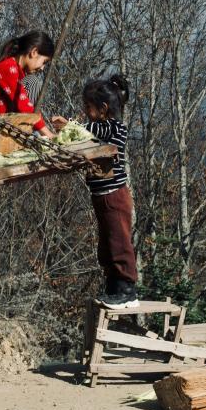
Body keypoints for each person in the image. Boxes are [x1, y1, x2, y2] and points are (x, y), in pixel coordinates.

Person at [53, 75, 139, 309]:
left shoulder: (116, 128)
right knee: (108, 242)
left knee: (119, 241)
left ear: (103, 109)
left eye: (88, 107)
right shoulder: (98, 128)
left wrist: (73, 126)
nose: (85, 112)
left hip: (115, 195)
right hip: (102, 196)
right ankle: (113, 285)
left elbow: (104, 134)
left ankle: (127, 289)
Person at [0, 31, 55, 138]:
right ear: (34, 52)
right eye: (44, 62)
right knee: (33, 84)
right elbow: (23, 105)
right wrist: (48, 134)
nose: (42, 68)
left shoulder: (13, 67)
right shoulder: (9, 68)